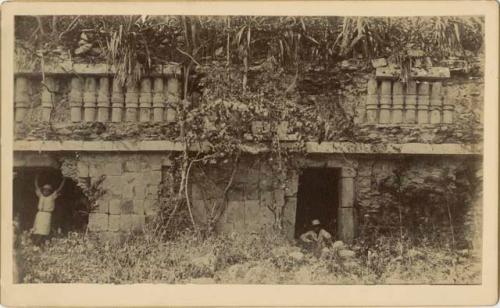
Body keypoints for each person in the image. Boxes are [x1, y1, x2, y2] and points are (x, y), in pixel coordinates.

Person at [32, 174, 65, 245]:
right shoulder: (40, 195)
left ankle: (42, 244)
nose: (46, 192)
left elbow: (60, 188)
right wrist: (36, 177)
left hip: (47, 215)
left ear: (50, 191)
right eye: (44, 190)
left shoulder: (52, 196)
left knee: (44, 231)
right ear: (43, 190)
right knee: (37, 230)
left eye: (48, 190)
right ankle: (36, 244)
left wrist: (64, 180)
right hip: (40, 214)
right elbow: (36, 186)